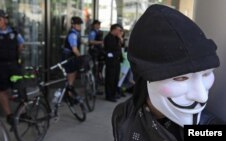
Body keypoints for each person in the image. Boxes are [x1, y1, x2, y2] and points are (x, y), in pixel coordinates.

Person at [112, 4, 224, 141]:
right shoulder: (123, 114)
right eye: (181, 78)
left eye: (206, 74)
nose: (202, 97)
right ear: (143, 78)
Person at [62, 16, 83, 92]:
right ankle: (69, 95)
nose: (80, 26)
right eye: (78, 24)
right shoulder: (73, 35)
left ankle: (69, 93)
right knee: (71, 76)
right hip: (69, 57)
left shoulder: (75, 33)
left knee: (72, 75)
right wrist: (81, 58)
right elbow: (74, 49)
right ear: (73, 25)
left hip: (70, 57)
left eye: (80, 24)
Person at [104, 23, 124, 102]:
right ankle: (109, 95)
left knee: (116, 78)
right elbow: (113, 48)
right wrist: (119, 38)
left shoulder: (117, 38)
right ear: (114, 29)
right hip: (111, 61)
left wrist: (120, 38)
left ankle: (114, 93)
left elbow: (122, 46)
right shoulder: (108, 38)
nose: (119, 32)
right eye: (119, 30)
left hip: (117, 60)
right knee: (110, 78)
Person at [88, 19, 105, 93]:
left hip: (98, 52)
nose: (99, 26)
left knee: (98, 71)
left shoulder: (98, 32)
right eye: (97, 24)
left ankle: (96, 88)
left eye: (99, 24)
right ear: (94, 25)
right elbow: (91, 42)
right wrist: (101, 42)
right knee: (95, 70)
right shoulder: (92, 32)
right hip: (94, 53)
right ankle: (94, 89)